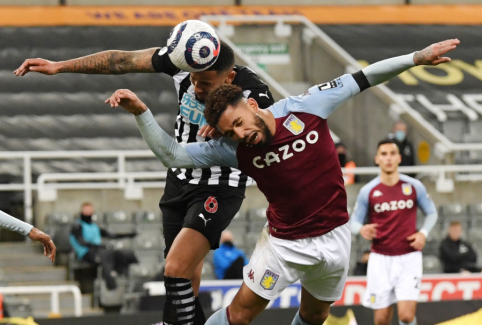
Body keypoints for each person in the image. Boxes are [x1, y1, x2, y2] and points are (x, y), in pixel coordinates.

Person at [105, 38, 458, 325]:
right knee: (240, 314)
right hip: (284, 245)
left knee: (315, 316)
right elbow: (172, 155)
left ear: (252, 106)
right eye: (231, 132)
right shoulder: (233, 151)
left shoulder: (307, 106)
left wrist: (415, 57)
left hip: (334, 237)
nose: (241, 133)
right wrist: (142, 113)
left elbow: (364, 78)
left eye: (241, 122)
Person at [14, 39, 274, 323]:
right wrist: (59, 66)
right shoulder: (183, 63)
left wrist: (230, 124)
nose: (197, 88)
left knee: (177, 268)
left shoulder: (255, 91)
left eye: (206, 85)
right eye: (194, 80)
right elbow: (121, 61)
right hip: (178, 178)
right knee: (185, 279)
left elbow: (268, 132)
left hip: (218, 185)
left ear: (230, 78)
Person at [350, 139, 439, 325]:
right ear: (377, 159)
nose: (388, 158)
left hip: (409, 258)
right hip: (380, 260)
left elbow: (431, 213)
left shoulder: (414, 186)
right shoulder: (368, 191)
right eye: (384, 154)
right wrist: (362, 229)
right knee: (381, 319)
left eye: (392, 154)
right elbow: (354, 222)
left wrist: (423, 233)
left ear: (399, 158)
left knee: (406, 316)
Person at [69, 202, 138, 290]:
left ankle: (129, 277)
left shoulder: (94, 226)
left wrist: (129, 234)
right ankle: (111, 283)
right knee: (105, 254)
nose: (88, 213)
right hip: (86, 253)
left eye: (90, 211)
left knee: (123, 253)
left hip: (99, 251)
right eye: (86, 211)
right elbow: (82, 242)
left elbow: (111, 235)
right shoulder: (77, 226)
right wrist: (100, 246)